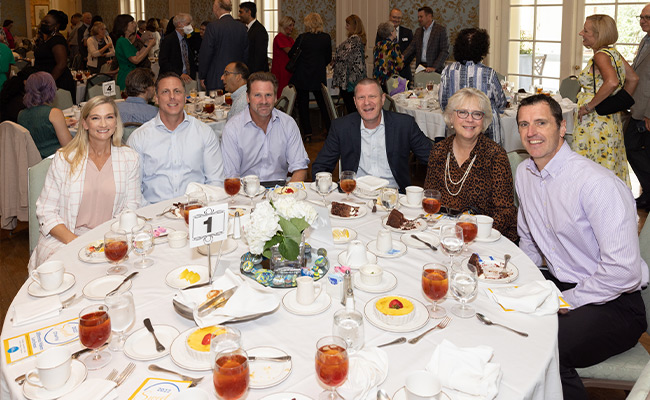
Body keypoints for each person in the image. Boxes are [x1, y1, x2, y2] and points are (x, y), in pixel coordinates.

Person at [515, 94, 648, 400]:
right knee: (503, 320)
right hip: (562, 283)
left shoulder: (596, 184)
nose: (531, 132)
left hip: (616, 303)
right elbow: (529, 239)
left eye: (541, 123)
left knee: (544, 348)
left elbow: (623, 272)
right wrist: (519, 285)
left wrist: (565, 300)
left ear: (562, 127)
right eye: (524, 124)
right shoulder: (525, 173)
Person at [29, 96, 142, 271]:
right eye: (96, 118)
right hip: (66, 238)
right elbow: (46, 210)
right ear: (85, 123)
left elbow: (131, 207)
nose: (103, 124)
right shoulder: (65, 159)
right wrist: (77, 243)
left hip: (110, 237)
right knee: (71, 273)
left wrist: (111, 240)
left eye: (109, 117)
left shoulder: (129, 159)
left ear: (116, 122)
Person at [423, 88, 517, 241]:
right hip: (444, 233)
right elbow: (431, 197)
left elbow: (505, 211)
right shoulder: (439, 151)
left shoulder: (495, 155)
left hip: (484, 238)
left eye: (477, 114)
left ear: (484, 121)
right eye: (462, 112)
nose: (470, 119)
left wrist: (474, 233)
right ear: (451, 117)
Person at [312, 78, 432, 192]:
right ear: (355, 102)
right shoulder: (342, 127)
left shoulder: (404, 125)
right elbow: (321, 166)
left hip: (393, 195)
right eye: (361, 97)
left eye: (372, 96)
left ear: (383, 99)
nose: (367, 102)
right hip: (354, 195)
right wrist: (326, 191)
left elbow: (433, 159)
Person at [128, 72, 224, 204]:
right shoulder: (139, 138)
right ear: (156, 98)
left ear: (185, 97)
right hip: (153, 212)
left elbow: (215, 182)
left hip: (196, 209)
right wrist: (151, 213)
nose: (172, 97)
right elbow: (133, 192)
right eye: (165, 92)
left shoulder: (204, 133)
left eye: (177, 91)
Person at [572, 14, 638, 187]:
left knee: (591, 167)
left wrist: (589, 106)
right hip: (609, 118)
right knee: (607, 161)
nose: (581, 33)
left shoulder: (600, 56)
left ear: (598, 34)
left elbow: (612, 82)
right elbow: (633, 79)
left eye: (586, 31)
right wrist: (617, 102)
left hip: (594, 122)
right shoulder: (614, 53)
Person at [222, 72, 309, 182]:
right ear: (248, 98)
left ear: (275, 98)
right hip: (245, 190)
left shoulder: (288, 124)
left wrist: (288, 191)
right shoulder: (233, 128)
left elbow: (300, 168)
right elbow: (231, 176)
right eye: (257, 95)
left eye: (268, 95)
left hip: (280, 189)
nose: (264, 101)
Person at [439, 28, 507, 145]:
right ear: (482, 49)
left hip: (458, 129)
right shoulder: (488, 73)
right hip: (486, 131)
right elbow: (501, 102)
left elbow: (443, 103)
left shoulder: (447, 71)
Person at [288, 13, 331, 142]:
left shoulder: (302, 38)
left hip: (302, 75)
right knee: (323, 104)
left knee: (303, 105)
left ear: (307, 24)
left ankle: (307, 133)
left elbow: (291, 54)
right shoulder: (326, 38)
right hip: (318, 75)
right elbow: (328, 58)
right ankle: (330, 129)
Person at [626, 3, 650, 211]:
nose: (643, 21)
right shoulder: (645, 39)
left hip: (647, 111)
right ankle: (648, 194)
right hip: (637, 107)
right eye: (641, 17)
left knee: (638, 150)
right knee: (632, 148)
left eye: (647, 17)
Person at [17, 72, 73, 158]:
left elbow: (38, 126)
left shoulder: (21, 114)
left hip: (34, 161)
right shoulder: (54, 113)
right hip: (53, 160)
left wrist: (61, 123)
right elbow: (69, 146)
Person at [199, 0, 249, 92]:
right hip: (236, 79)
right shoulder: (242, 27)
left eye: (213, 6)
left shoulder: (212, 27)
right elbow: (246, 54)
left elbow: (206, 54)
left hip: (216, 78)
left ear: (217, 8)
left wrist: (202, 76)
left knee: (216, 101)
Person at [34, 10, 76, 104]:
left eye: (47, 23)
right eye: (43, 22)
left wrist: (48, 82)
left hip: (57, 82)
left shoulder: (57, 40)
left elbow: (61, 64)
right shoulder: (47, 39)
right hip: (46, 79)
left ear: (56, 26)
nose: (43, 24)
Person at [332, 15, 367, 114]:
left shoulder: (355, 39)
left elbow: (341, 54)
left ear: (354, 26)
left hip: (351, 80)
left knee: (352, 108)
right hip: (354, 78)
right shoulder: (357, 39)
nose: (346, 27)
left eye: (348, 25)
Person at [113, 14, 155, 91]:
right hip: (126, 76)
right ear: (124, 25)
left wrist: (147, 43)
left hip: (130, 75)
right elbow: (136, 60)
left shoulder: (126, 41)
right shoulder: (122, 41)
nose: (135, 24)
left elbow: (138, 54)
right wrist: (150, 46)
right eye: (132, 22)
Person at [402, 6, 449, 73]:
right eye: (418, 17)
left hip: (435, 70)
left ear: (429, 16)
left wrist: (434, 67)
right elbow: (412, 47)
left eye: (421, 17)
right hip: (420, 68)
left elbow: (444, 51)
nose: (419, 19)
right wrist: (402, 56)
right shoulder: (418, 31)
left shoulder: (440, 30)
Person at [375, 9, 413, 84]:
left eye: (399, 18)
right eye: (394, 17)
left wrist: (404, 62)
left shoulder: (408, 32)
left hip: (404, 73)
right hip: (390, 77)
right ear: (390, 17)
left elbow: (412, 51)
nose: (396, 20)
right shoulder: (382, 35)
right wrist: (400, 60)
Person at [159, 13, 197, 84]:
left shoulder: (186, 38)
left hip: (187, 78)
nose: (190, 26)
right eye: (188, 23)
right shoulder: (168, 39)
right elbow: (163, 62)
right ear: (179, 24)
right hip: (172, 78)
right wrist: (180, 74)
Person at [239, 2, 269, 74]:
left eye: (241, 12)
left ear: (249, 12)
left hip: (255, 74)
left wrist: (254, 76)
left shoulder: (259, 30)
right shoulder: (245, 28)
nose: (239, 15)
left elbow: (260, 57)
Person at [373, 22, 403, 91]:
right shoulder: (394, 46)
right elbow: (399, 66)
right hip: (390, 80)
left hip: (378, 79)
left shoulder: (378, 45)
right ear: (391, 33)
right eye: (394, 30)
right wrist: (401, 59)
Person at [271, 16, 295, 97]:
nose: (292, 28)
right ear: (284, 26)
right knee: (282, 93)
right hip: (281, 70)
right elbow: (291, 52)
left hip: (288, 70)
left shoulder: (290, 39)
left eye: (293, 25)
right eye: (290, 25)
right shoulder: (279, 37)